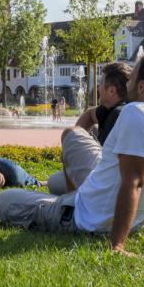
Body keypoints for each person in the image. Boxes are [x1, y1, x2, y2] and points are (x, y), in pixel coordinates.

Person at [0, 55, 144, 256]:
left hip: (88, 219)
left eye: (132, 78)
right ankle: (70, 196)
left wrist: (117, 245)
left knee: (3, 201)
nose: (127, 82)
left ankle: (67, 205)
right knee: (73, 134)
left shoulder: (137, 113)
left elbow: (134, 182)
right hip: (126, 216)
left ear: (142, 87)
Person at [47, 62, 131, 195]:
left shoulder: (118, 115)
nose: (98, 87)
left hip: (106, 183)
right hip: (107, 175)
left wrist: (72, 141)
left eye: (101, 82)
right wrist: (75, 145)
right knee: (56, 180)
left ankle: (72, 202)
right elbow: (90, 114)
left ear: (112, 91)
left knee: (53, 182)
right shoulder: (111, 109)